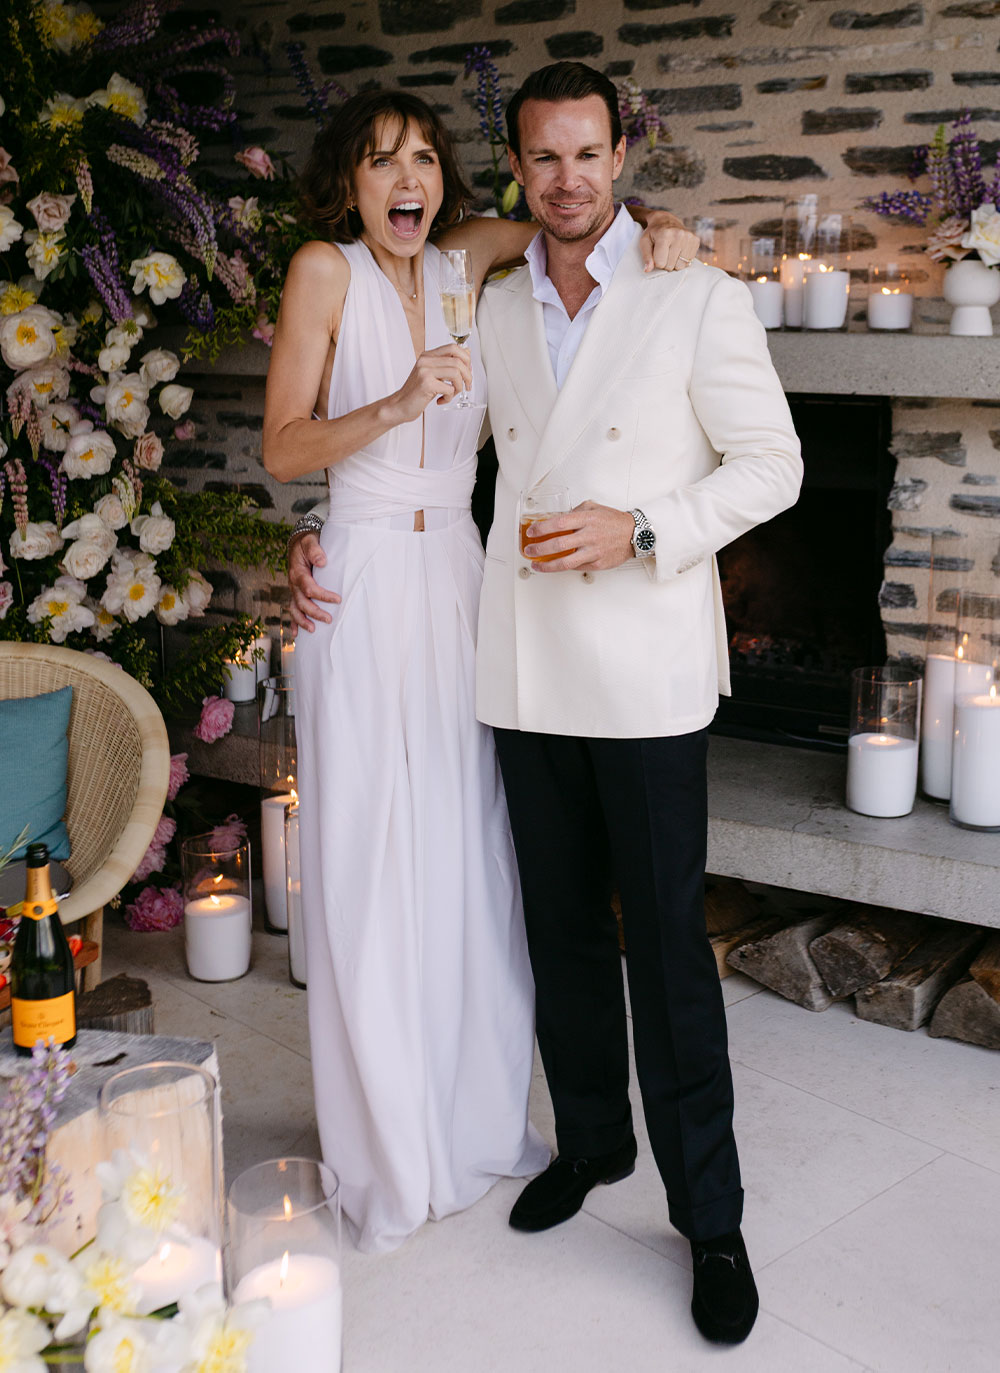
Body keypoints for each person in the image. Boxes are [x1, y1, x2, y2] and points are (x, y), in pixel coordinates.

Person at [291, 63, 802, 1340]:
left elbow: (774, 466)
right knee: (559, 933)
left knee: (667, 953)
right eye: (543, 158)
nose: (567, 179)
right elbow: (394, 449)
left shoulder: (695, 291)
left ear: (622, 153)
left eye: (588, 153)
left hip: (643, 673)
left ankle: (712, 1218)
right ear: (516, 168)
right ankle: (588, 1143)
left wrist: (642, 528)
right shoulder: (493, 297)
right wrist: (315, 537)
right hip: (516, 667)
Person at [263, 87, 697, 1254]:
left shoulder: (466, 261)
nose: (402, 179)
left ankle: (470, 1120)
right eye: (377, 162)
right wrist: (397, 401)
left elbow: (576, 216)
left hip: (461, 579)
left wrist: (662, 223)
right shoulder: (323, 270)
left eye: (419, 159)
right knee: (370, 857)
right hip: (360, 585)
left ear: (448, 178)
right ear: (347, 183)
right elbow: (282, 444)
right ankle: (388, 1143)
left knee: (469, 858)